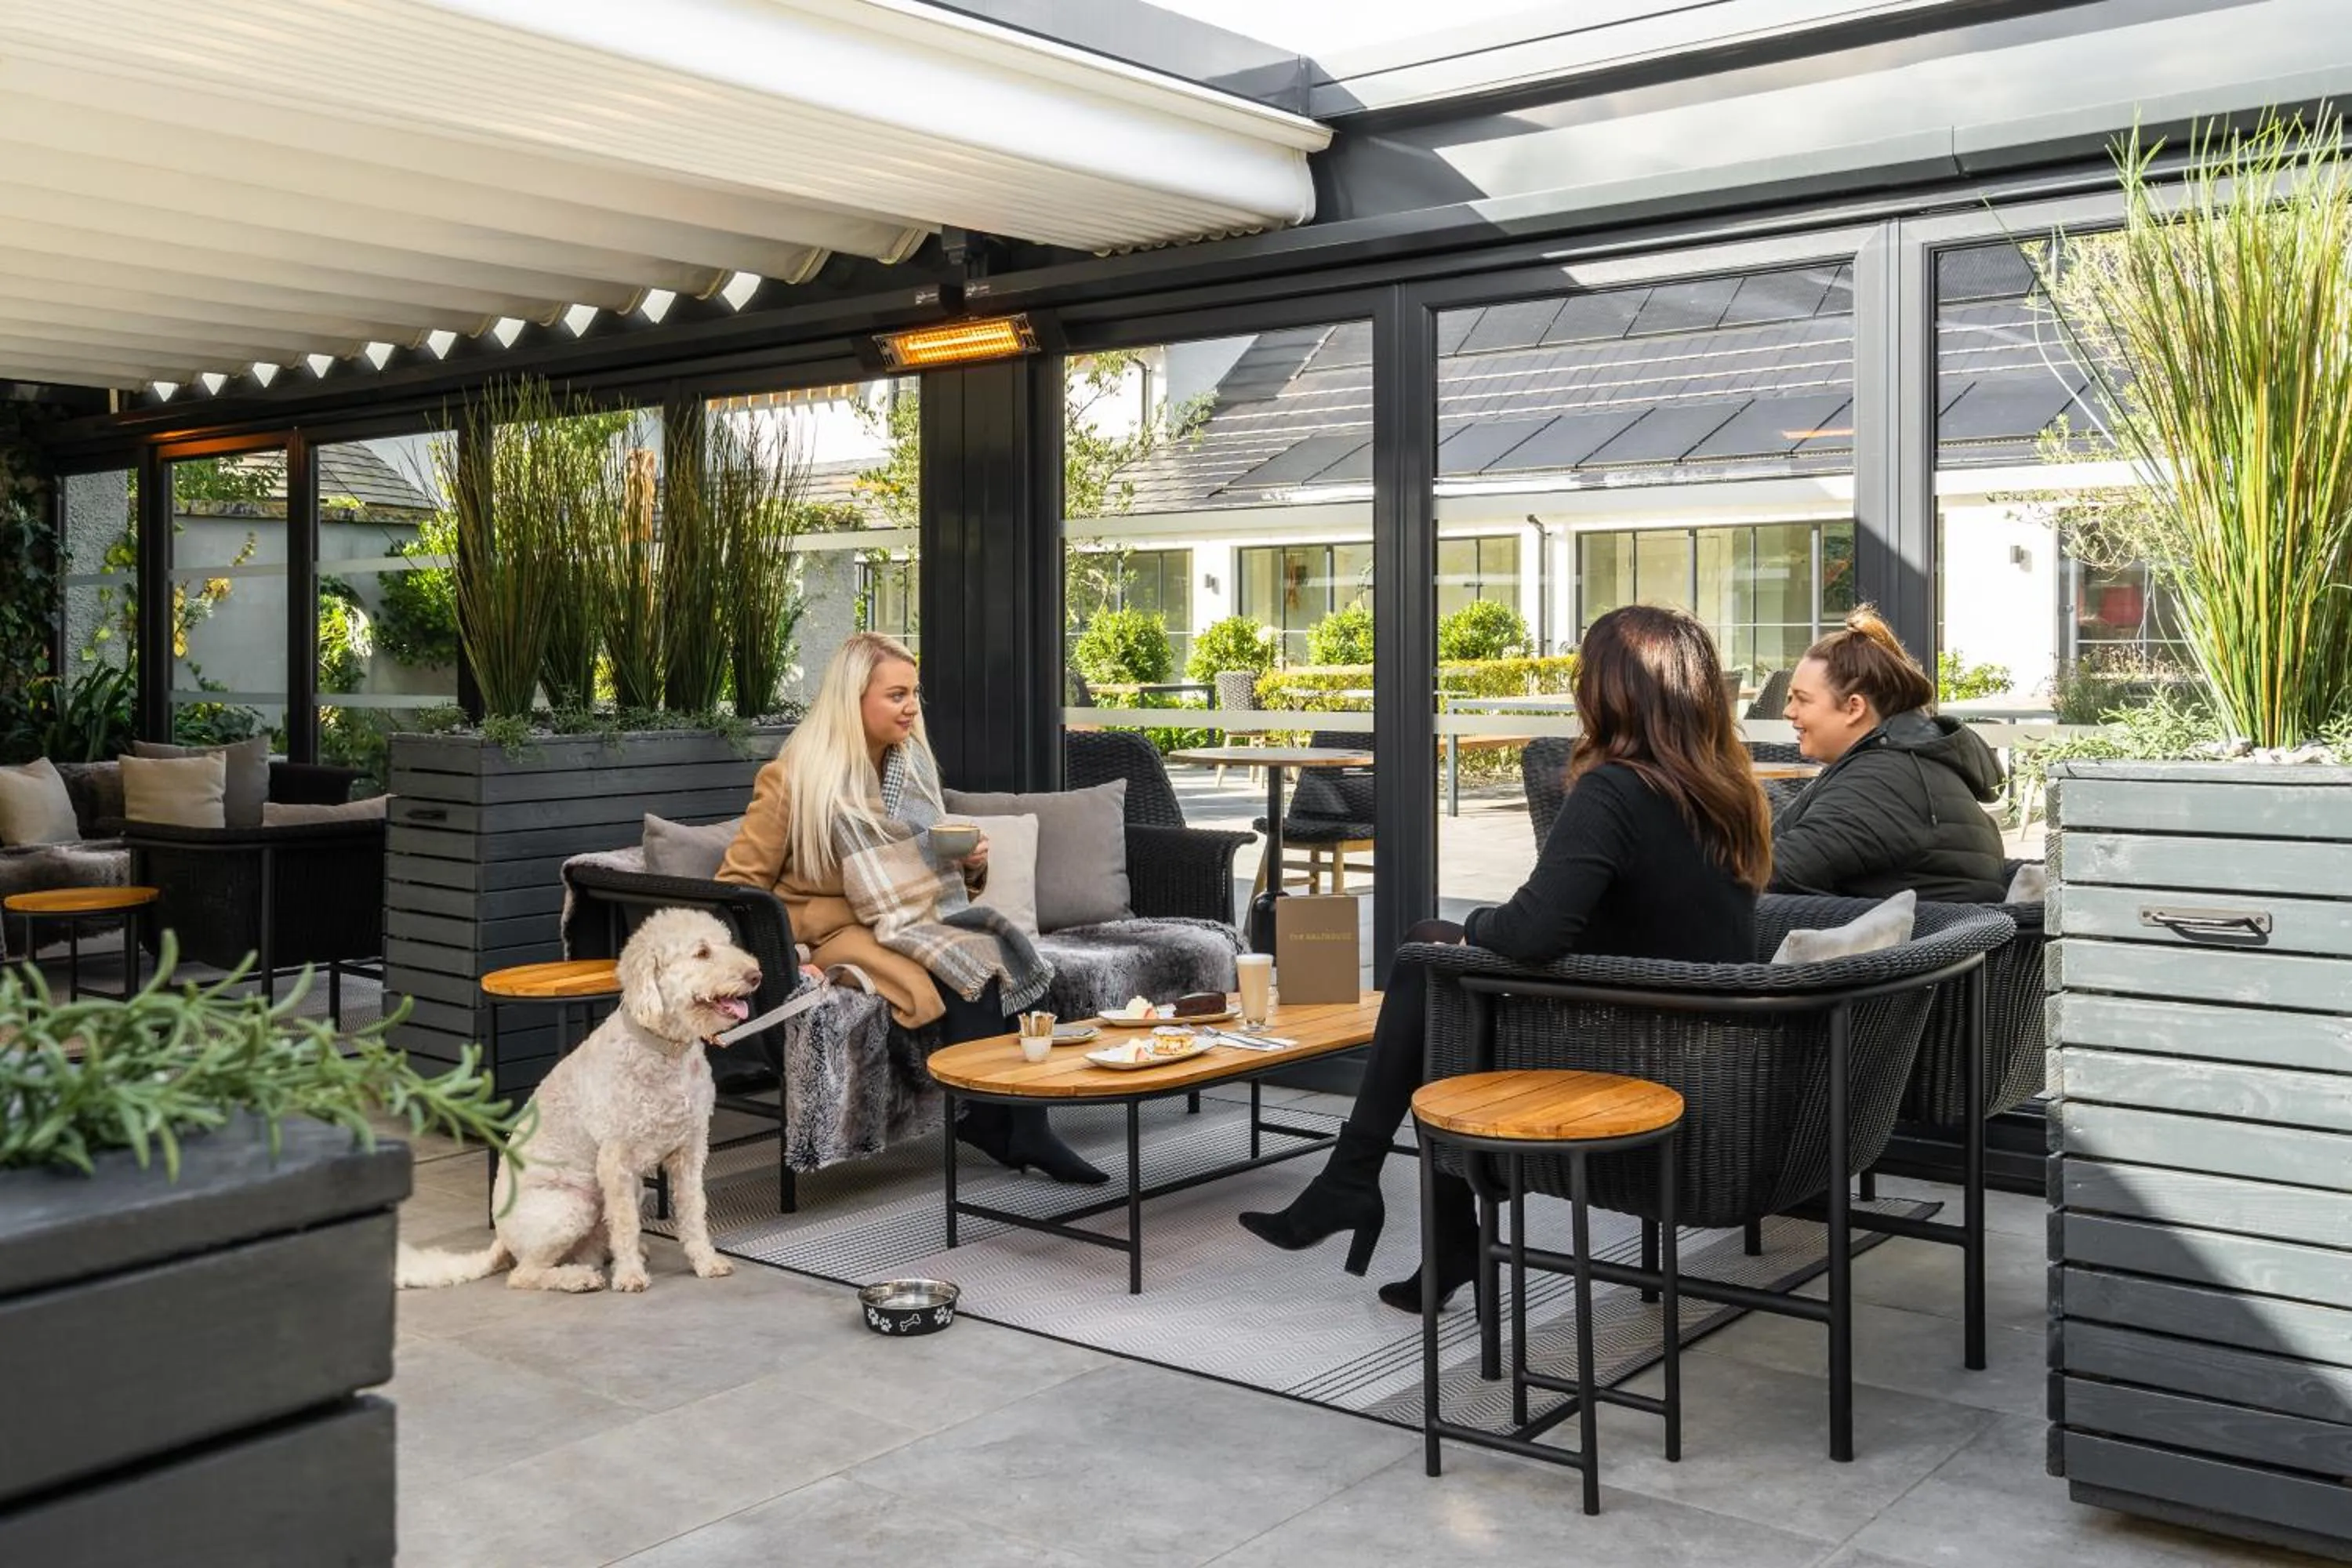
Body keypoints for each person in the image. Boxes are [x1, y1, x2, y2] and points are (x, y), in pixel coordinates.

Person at [1239, 605, 1770, 1310]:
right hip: (1694, 1038)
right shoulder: (1727, 794)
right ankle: (1395, 1206)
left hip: (1624, 1046)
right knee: (1440, 963)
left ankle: (1361, 1183)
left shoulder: (1617, 789)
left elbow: (1532, 932)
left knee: (1433, 963)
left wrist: (1474, 928)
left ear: (1612, 690)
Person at [717, 631, 1105, 1185]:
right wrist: (784, 957)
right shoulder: (794, 781)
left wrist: (970, 864)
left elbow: (928, 877)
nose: (911, 708)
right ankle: (1010, 1126)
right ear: (852, 701)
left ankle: (1013, 1121)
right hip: (837, 935)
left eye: (915, 694)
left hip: (905, 920)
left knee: (1003, 954)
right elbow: (738, 886)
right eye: (896, 695)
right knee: (965, 971)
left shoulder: (911, 772)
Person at [1771, 608, 2009, 904]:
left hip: (1886, 949)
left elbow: (1776, 872)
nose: (1788, 711)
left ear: (1854, 708)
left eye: (1802, 700)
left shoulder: (1883, 782)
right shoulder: (1904, 765)